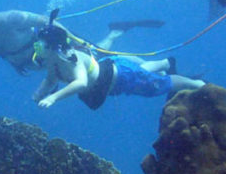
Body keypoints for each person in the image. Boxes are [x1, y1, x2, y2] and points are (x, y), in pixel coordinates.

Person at [31, 19, 204, 110]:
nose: (36, 48)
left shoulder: (69, 58)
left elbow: (81, 82)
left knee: (156, 86)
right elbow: (50, 80)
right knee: (141, 74)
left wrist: (53, 97)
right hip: (114, 78)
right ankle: (165, 63)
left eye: (39, 44)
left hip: (120, 75)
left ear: (53, 46)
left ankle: (198, 85)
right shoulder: (53, 61)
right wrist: (40, 92)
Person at [0, 0, 164, 75]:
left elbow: (44, 21)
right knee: (98, 67)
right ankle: (114, 34)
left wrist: (72, 40)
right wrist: (16, 65)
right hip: (43, 63)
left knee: (102, 58)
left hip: (56, 49)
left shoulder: (9, 18)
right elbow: (3, 51)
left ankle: (150, 65)